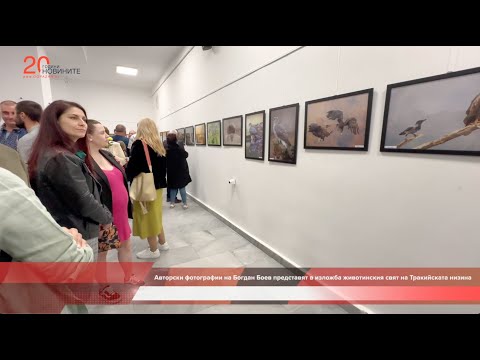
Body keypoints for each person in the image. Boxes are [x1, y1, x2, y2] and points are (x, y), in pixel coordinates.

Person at [28, 100, 112, 257]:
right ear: (55, 121)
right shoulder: (61, 158)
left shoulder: (57, 153)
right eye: (74, 118)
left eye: (84, 119)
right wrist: (106, 217)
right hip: (77, 231)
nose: (82, 124)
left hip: (74, 228)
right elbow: (83, 200)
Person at [86, 120, 144, 287]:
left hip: (120, 212)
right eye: (102, 133)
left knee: (126, 245)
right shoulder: (83, 161)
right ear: (89, 137)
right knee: (101, 253)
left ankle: (129, 276)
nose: (107, 135)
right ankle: (103, 286)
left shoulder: (107, 154)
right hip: (103, 214)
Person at [126, 118, 169, 259]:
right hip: (158, 186)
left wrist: (126, 165)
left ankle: (153, 250)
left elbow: (133, 169)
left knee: (148, 217)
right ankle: (163, 243)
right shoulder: (159, 144)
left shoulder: (140, 144)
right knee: (155, 215)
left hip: (146, 186)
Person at [166, 131, 192, 209]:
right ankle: (184, 204)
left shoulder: (166, 148)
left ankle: (172, 203)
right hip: (180, 170)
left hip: (171, 171)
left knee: (173, 188)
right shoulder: (179, 147)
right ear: (176, 137)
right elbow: (186, 155)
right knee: (182, 188)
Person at [15, 100, 43, 164]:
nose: (12, 117)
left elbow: (26, 169)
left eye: (14, 113)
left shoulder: (26, 140)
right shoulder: (48, 132)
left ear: (22, 115)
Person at [163, 130, 182, 204]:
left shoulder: (165, 142)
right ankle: (173, 198)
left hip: (167, 165)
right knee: (174, 182)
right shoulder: (175, 144)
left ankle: (169, 197)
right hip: (174, 166)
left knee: (170, 181)